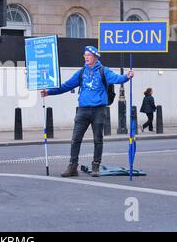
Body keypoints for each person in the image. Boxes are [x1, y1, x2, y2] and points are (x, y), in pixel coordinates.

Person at [41, 46, 134, 177]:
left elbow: (116, 79)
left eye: (88, 55)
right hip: (83, 110)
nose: (86, 57)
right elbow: (66, 86)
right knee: (75, 139)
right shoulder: (81, 72)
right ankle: (72, 167)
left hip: (99, 110)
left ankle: (96, 166)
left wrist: (126, 76)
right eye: (85, 55)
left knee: (98, 139)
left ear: (95, 57)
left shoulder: (104, 71)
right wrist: (49, 92)